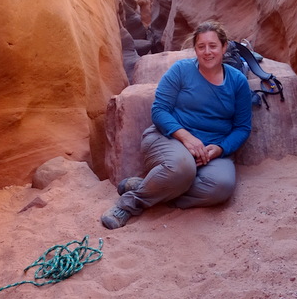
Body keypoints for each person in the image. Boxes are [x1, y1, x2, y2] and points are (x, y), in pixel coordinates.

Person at [101, 21, 253, 229]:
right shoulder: (181, 70)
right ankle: (129, 204)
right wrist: (186, 138)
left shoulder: (237, 81)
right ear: (195, 49)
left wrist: (219, 149)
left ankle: (150, 186)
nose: (207, 52)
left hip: (212, 149)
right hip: (169, 138)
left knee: (221, 188)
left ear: (224, 47)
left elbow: (242, 127)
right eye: (201, 46)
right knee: (182, 168)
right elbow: (159, 110)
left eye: (213, 46)